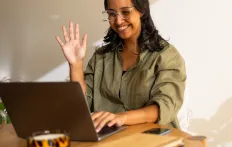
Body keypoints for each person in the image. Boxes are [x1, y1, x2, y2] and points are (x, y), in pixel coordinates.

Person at [56, 0, 186, 132]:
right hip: (110, 139)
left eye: (125, 12)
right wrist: (76, 65)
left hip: (153, 139)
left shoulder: (166, 56)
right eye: (112, 14)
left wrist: (122, 118)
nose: (118, 21)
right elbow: (81, 106)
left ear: (142, 9)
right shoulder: (101, 57)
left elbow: (165, 106)